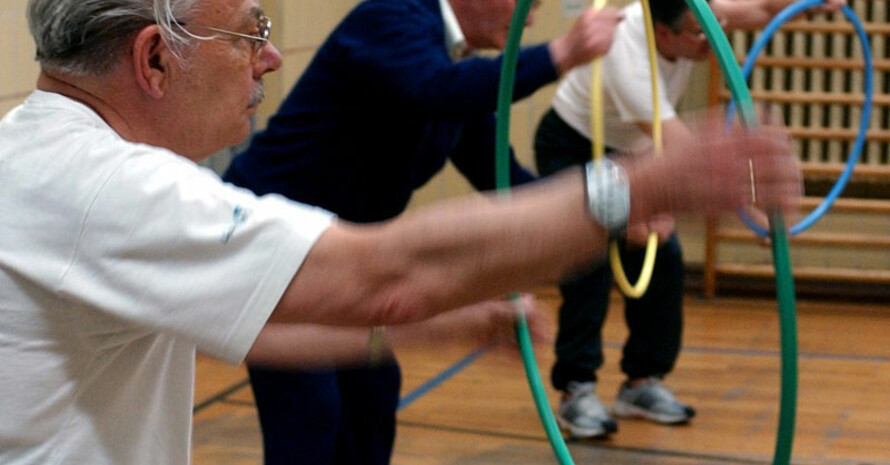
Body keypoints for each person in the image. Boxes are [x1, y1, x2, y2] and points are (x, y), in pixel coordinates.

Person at [0, 0, 801, 464]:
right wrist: (642, 182)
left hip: (306, 275)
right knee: (313, 425)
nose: (271, 57)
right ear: (154, 61)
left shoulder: (49, 153)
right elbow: (386, 270)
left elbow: (264, 325)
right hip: (316, 256)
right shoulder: (108, 186)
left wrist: (440, 320)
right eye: (249, 32)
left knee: (366, 403)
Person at [221, 0, 624, 463]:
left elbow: (505, 179)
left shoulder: (453, 65)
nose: (532, 14)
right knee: (310, 411)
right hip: (275, 244)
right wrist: (561, 53)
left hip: (342, 261)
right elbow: (438, 90)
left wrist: (612, 206)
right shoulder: (392, 16)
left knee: (372, 393)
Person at [534, 0, 842, 439]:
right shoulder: (626, 50)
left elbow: (761, 8)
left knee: (664, 258)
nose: (708, 40)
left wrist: (812, 6)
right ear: (662, 34)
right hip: (579, 145)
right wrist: (757, 212)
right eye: (697, 35)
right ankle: (576, 389)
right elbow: (681, 149)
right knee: (591, 264)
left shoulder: (692, 15)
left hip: (635, 148)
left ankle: (642, 383)